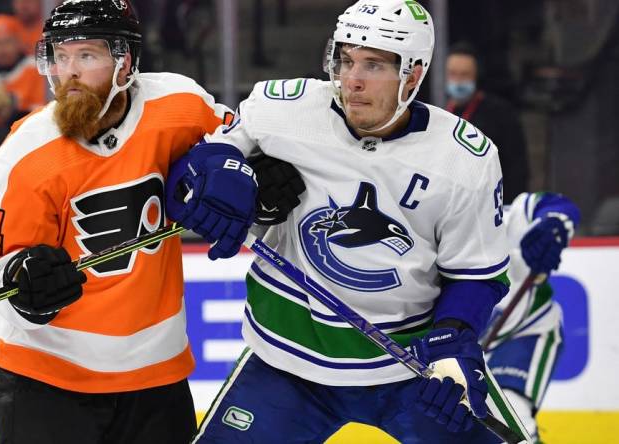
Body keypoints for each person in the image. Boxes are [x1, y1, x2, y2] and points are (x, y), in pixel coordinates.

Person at [173, 1, 526, 442]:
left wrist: (454, 339)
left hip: (410, 367)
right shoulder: (284, 109)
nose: (351, 79)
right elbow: (200, 167)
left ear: (413, 75)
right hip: (285, 361)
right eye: (345, 59)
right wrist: (221, 181)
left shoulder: (463, 161)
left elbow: (477, 276)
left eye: (373, 65)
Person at [0, 1, 256, 443]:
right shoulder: (28, 152)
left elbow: (241, 142)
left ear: (126, 63)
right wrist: (25, 286)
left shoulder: (178, 105)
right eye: (60, 56)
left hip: (156, 382)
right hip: (47, 384)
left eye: (87, 56)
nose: (69, 72)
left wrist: (252, 177)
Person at [484, 191, 580, 442]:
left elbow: (556, 204)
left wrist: (553, 225)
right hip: (462, 349)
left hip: (525, 331)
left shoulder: (500, 221)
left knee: (511, 411)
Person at [446, 42, 529, 203]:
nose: (458, 81)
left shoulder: (501, 115)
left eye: (465, 75)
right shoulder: (436, 110)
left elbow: (517, 170)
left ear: (476, 76)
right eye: (453, 74)